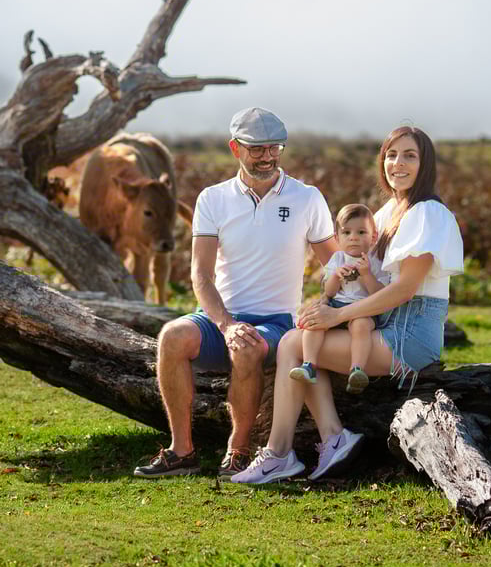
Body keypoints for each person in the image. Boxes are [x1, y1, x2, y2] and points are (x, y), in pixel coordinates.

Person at [232, 125, 464, 484]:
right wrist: (327, 301)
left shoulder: (427, 212)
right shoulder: (388, 212)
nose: (397, 163)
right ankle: (331, 439)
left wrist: (337, 314)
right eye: (390, 154)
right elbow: (360, 274)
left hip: (410, 334)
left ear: (426, 163)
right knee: (303, 338)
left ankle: (281, 453)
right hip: (384, 323)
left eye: (409, 155)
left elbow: (404, 290)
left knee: (293, 343)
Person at [133, 107, 339, 479]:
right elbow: (201, 274)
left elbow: (336, 264)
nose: (267, 156)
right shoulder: (213, 199)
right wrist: (226, 324)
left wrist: (328, 304)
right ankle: (182, 452)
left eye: (274, 147)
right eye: (256, 149)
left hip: (275, 323)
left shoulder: (307, 198)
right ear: (235, 148)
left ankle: (239, 450)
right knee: (171, 336)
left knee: (246, 347)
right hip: (219, 318)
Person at [289, 204, 391, 395]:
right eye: (346, 233)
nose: (353, 237)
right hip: (336, 305)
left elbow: (379, 293)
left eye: (361, 232)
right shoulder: (337, 259)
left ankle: (357, 369)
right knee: (314, 322)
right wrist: (335, 276)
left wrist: (367, 274)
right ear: (337, 238)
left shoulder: (376, 261)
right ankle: (309, 364)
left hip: (363, 309)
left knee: (361, 327)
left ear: (373, 237)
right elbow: (329, 292)